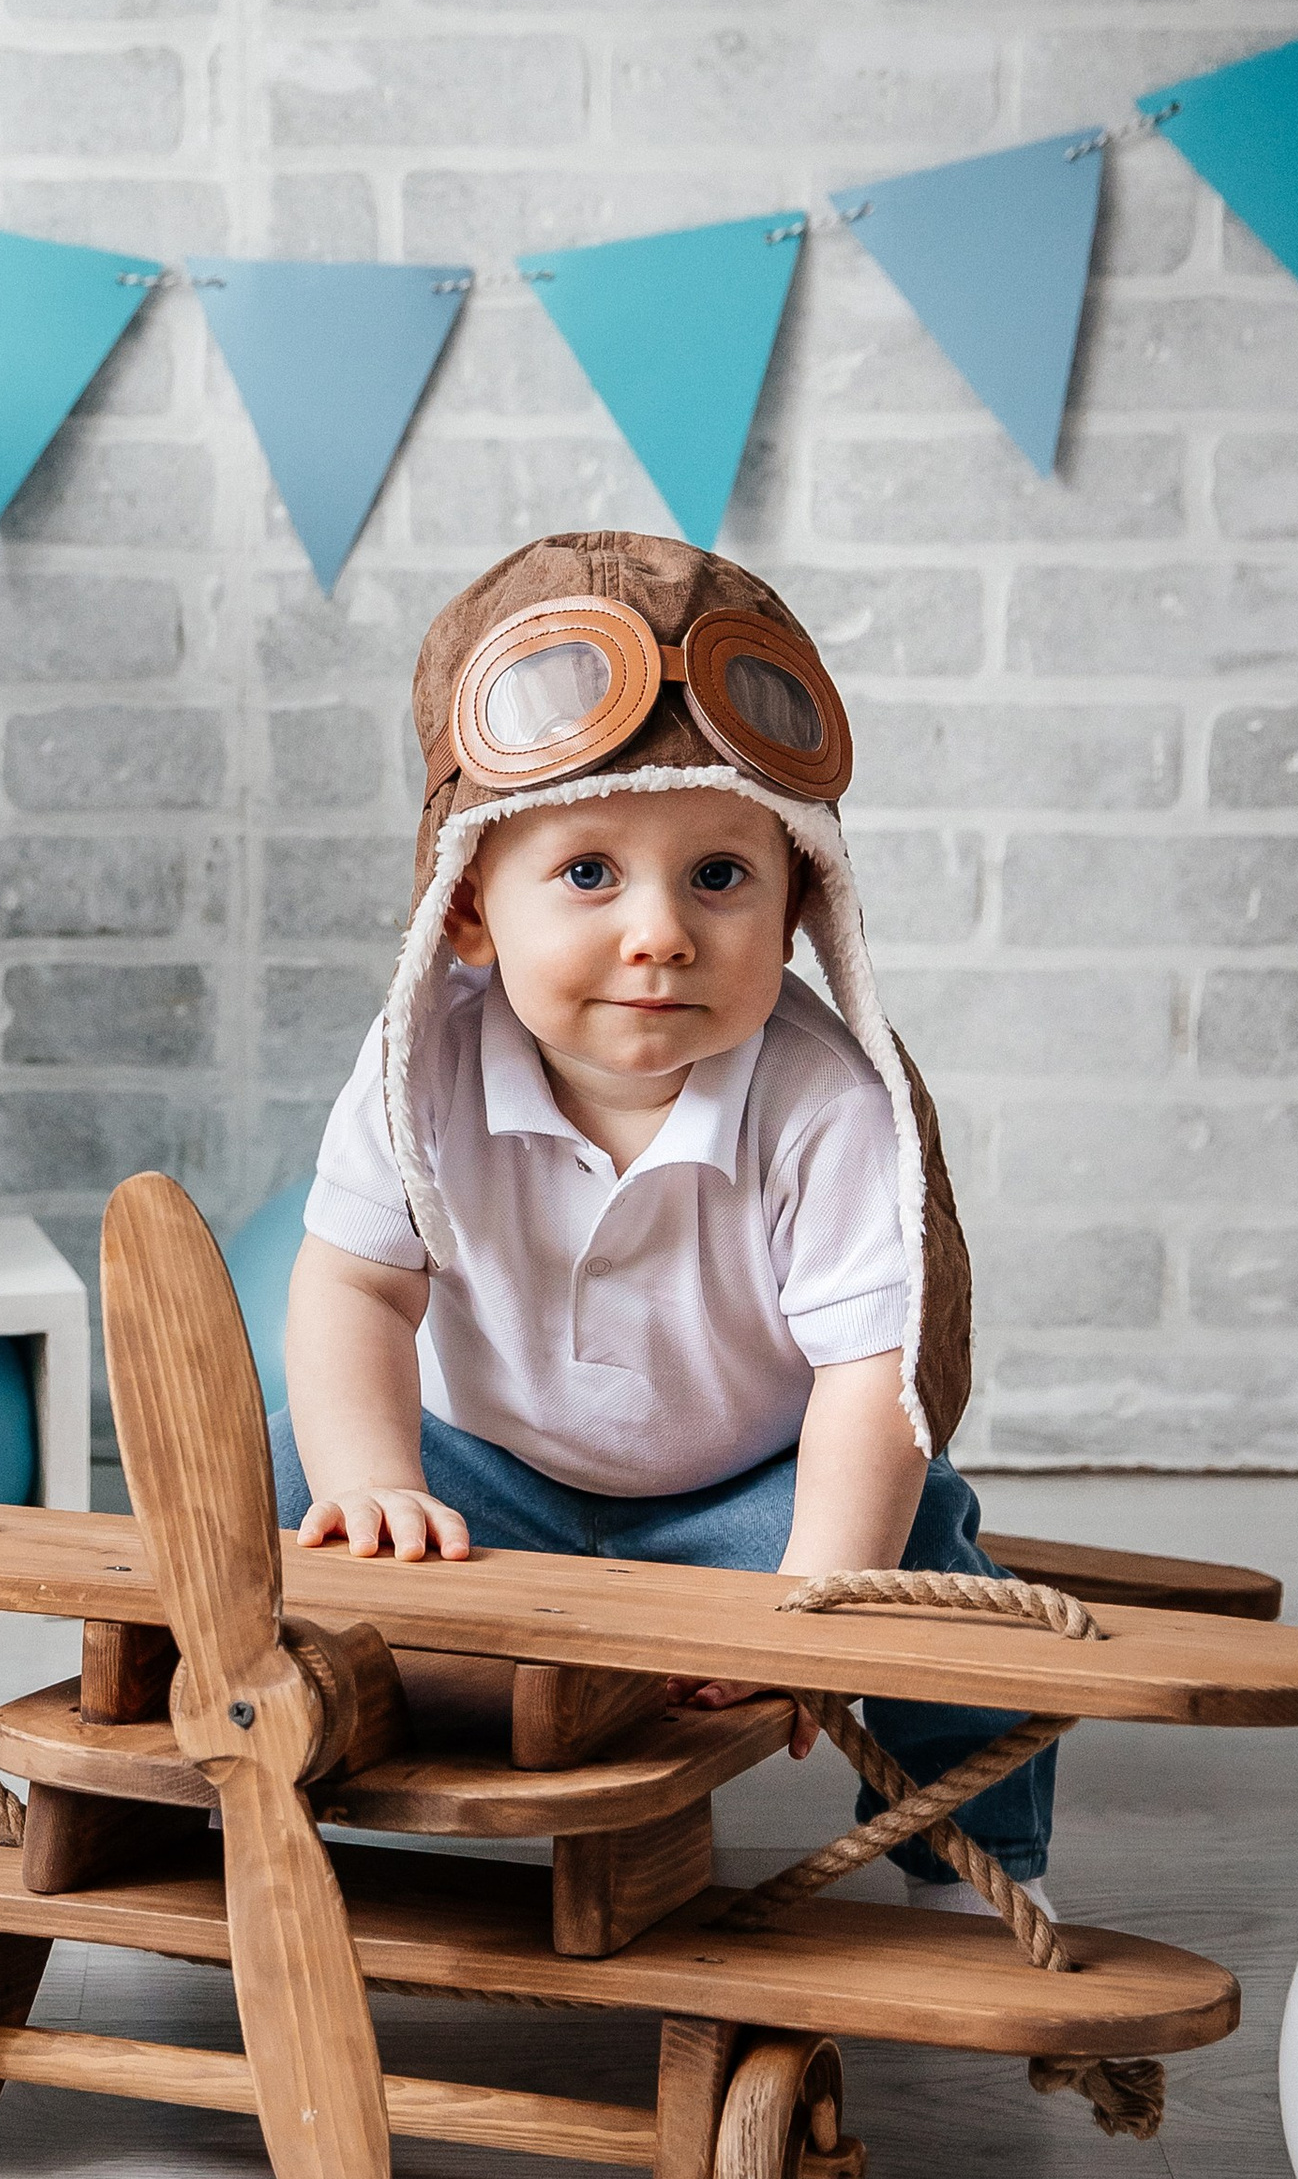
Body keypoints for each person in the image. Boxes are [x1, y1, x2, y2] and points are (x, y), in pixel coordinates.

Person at [271, 529, 1053, 1910]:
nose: (662, 932)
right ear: (465, 909)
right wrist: (374, 1476)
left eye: (719, 875)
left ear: (802, 897)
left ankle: (968, 1842)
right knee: (286, 1487)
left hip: (737, 1492)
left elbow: (868, 1378)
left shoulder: (824, 1104)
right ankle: (277, 1761)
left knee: (920, 1550)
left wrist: (809, 1589)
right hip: (489, 1469)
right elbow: (354, 1292)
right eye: (588, 874)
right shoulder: (421, 1060)